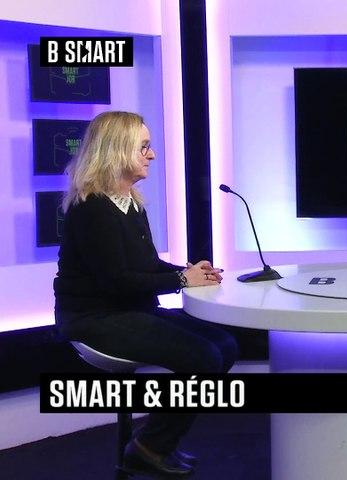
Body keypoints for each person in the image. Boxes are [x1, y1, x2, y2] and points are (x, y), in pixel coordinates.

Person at [53, 111, 239, 477]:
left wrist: (189, 272)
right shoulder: (92, 208)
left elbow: (146, 264)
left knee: (225, 345)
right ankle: (150, 447)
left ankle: (154, 442)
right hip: (95, 319)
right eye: (144, 147)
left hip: (133, 309)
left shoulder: (130, 202)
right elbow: (117, 281)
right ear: (117, 150)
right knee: (202, 357)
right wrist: (182, 280)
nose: (151, 155)